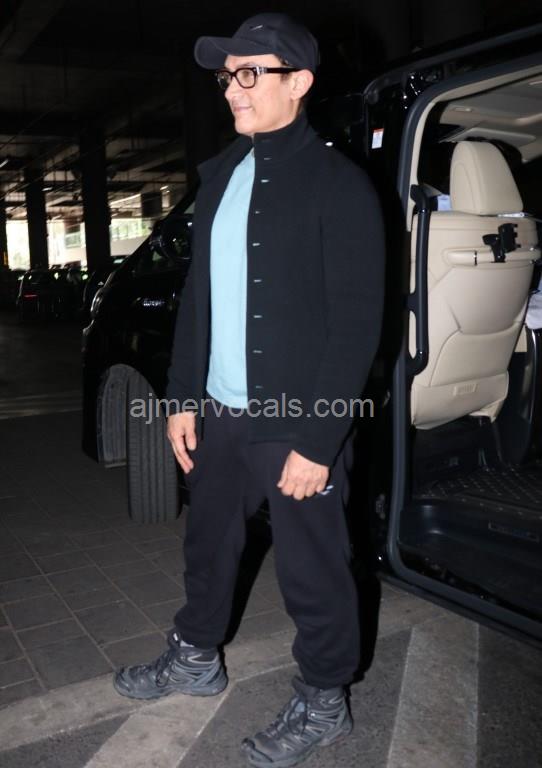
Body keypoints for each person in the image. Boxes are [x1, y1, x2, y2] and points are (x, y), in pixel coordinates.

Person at [113, 12, 384, 767]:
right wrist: (180, 397)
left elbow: (358, 326)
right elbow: (197, 301)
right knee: (207, 545)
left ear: (299, 83)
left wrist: (318, 440)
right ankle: (195, 658)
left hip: (298, 415)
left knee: (313, 567)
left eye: (251, 73)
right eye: (228, 75)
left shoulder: (338, 185)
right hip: (221, 412)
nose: (234, 89)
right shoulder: (222, 177)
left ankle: (325, 701)